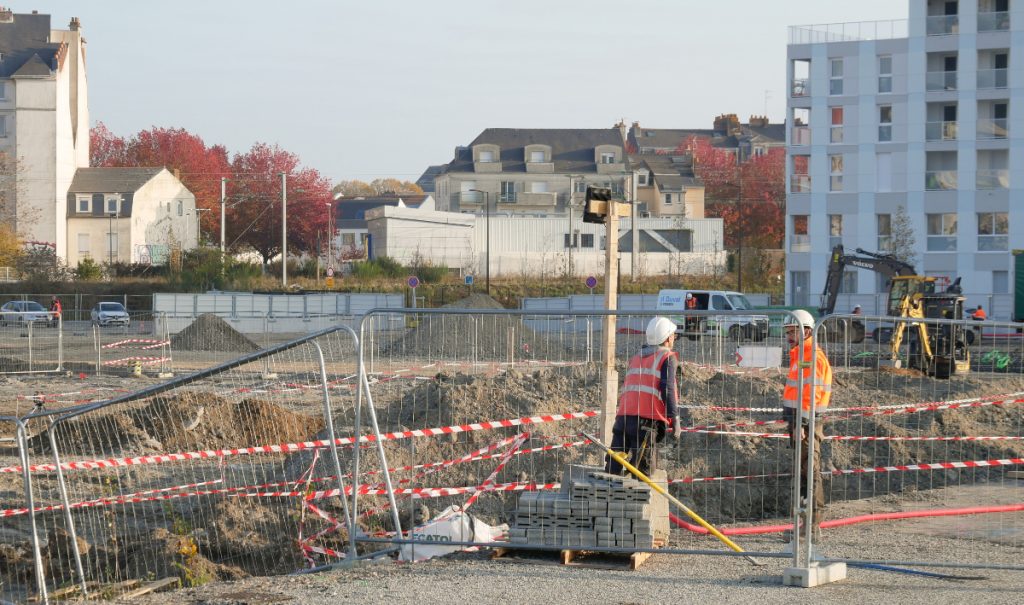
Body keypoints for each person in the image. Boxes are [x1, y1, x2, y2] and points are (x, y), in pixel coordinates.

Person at [606, 316, 680, 476]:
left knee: (614, 466)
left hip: (624, 419)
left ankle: (608, 496)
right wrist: (675, 419)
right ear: (667, 338)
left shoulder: (636, 358)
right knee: (643, 472)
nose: (674, 337)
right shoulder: (667, 358)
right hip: (646, 423)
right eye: (673, 334)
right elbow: (667, 389)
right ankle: (637, 500)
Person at [782, 309, 832, 531]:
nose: (789, 336)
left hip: (807, 423)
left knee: (810, 471)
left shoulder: (812, 357)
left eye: (793, 331)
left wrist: (801, 424)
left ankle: (811, 525)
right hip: (800, 422)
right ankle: (805, 522)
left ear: (807, 331)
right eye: (788, 332)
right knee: (804, 471)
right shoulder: (801, 356)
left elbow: (810, 395)